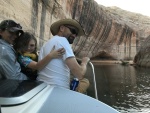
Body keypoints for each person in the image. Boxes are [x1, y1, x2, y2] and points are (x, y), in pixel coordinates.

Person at [37, 19, 90, 93]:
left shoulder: (45, 44)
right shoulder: (62, 40)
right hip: (58, 88)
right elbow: (79, 74)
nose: (74, 35)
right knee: (85, 81)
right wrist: (84, 62)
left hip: (42, 87)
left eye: (76, 34)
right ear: (62, 28)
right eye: (73, 31)